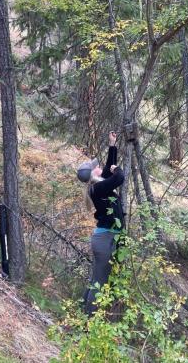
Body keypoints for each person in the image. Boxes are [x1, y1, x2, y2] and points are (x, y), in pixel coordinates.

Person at [76, 131, 125, 315]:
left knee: (96, 280)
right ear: (92, 175)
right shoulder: (98, 188)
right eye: (96, 167)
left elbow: (108, 170)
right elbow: (118, 177)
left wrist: (112, 145)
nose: (99, 168)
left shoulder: (97, 186)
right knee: (99, 283)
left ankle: (83, 313)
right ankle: (88, 321)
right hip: (105, 241)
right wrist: (117, 169)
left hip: (103, 239)